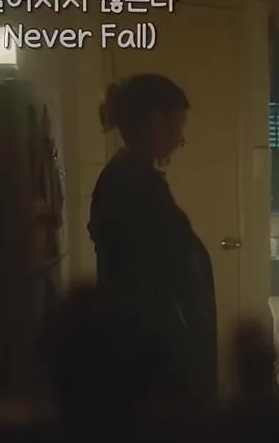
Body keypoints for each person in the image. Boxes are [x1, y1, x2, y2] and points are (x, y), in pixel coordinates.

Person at [88, 74, 217, 406]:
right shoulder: (130, 183)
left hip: (150, 348)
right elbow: (152, 278)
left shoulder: (131, 177)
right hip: (151, 353)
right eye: (178, 123)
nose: (181, 138)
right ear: (156, 122)